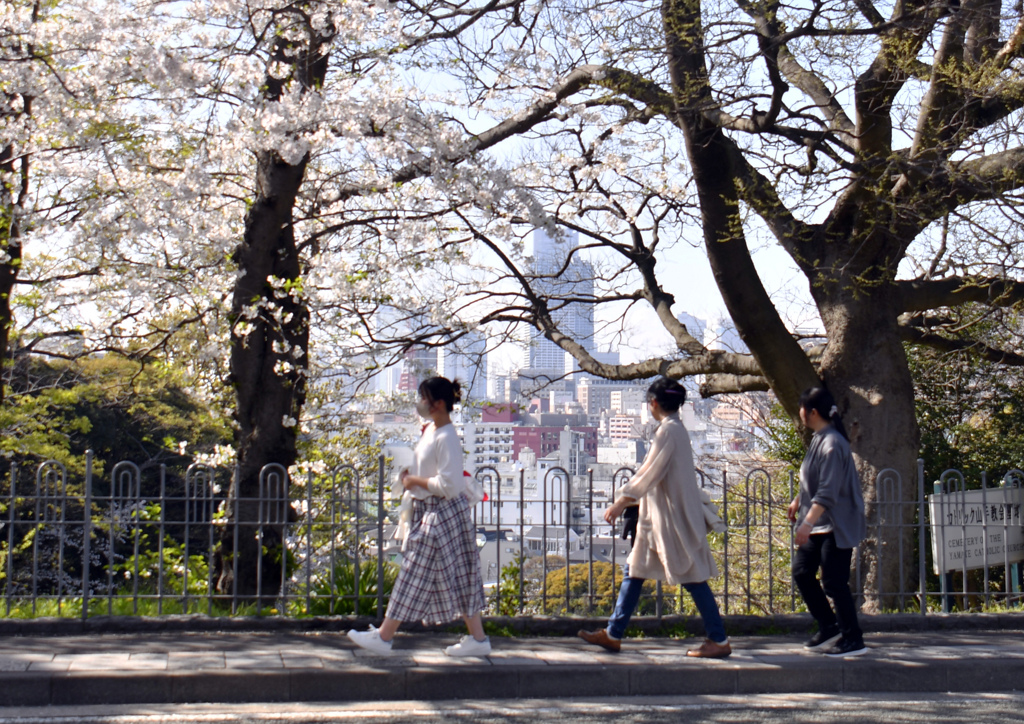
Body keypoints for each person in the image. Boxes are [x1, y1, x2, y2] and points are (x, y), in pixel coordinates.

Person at [578, 377, 731, 658]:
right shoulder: (675, 429)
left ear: (654, 403)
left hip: (670, 520)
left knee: (693, 577)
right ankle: (614, 632)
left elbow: (648, 474)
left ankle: (719, 640)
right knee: (635, 571)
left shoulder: (668, 432)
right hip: (659, 518)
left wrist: (619, 503)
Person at [347, 376, 489, 657]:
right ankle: (478, 640)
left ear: (437, 403)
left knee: (414, 574)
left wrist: (415, 482)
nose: (420, 403)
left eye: (424, 398)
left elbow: (450, 485)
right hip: (436, 514)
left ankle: (384, 637)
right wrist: (410, 478)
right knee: (459, 575)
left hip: (440, 513)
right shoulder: (433, 431)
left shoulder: (446, 436)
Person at [787, 386, 868, 658]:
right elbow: (812, 478)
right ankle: (829, 626)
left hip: (834, 524)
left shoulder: (832, 443)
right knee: (802, 572)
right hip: (820, 523)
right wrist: (799, 501)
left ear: (811, 412)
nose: (799, 413)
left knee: (834, 581)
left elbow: (828, 492)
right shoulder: (819, 438)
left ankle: (852, 638)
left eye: (801, 408)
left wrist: (806, 523)